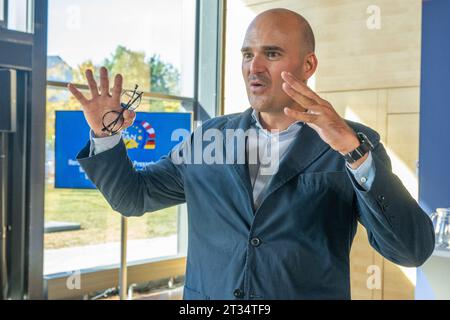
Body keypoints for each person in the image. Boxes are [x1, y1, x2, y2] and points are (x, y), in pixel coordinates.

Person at [69, 8, 435, 300]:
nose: (254, 68)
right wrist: (105, 136)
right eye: (247, 54)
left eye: (271, 54)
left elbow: (410, 250)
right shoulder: (209, 137)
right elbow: (134, 197)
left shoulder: (353, 143)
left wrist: (354, 153)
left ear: (308, 66)